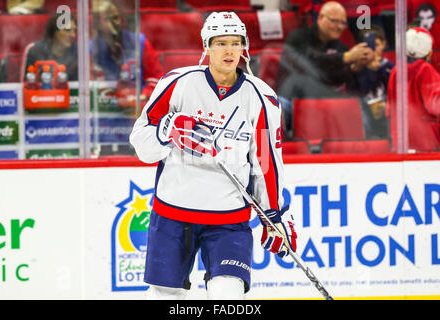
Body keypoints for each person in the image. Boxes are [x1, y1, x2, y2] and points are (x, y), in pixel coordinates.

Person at [129, 11, 297, 300]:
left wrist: (274, 215)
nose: (229, 50)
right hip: (172, 214)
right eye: (220, 43)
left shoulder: (262, 98)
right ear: (206, 46)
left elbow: (266, 165)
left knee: (227, 295)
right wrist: (166, 134)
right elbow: (141, 143)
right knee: (163, 295)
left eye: (235, 42)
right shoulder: (176, 83)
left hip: (228, 219)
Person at [276, 1, 373, 136]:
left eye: (343, 23)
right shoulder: (298, 37)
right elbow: (308, 63)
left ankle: (367, 146)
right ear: (320, 18)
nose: (339, 27)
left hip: (327, 100)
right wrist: (344, 58)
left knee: (361, 107)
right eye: (335, 21)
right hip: (294, 97)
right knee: (277, 108)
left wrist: (354, 68)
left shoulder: (341, 47)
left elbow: (336, 78)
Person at [90, 0, 163, 106]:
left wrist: (143, 97)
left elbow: (157, 78)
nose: (115, 23)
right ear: (98, 25)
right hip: (107, 111)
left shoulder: (139, 42)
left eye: (116, 18)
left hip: (137, 108)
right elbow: (92, 88)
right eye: (108, 19)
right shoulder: (92, 49)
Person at [386, 27, 440, 152]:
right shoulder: (426, 69)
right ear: (429, 52)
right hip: (426, 142)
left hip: (401, 140)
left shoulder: (396, 70)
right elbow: (435, 106)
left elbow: (389, 109)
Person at [349, 24, 394, 138]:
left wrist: (387, 105)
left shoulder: (390, 68)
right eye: (368, 46)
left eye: (376, 45)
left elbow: (395, 94)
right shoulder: (356, 69)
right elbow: (351, 94)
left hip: (386, 116)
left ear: (384, 44)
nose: (372, 50)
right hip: (363, 116)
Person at [24, 13, 78, 81]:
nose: (73, 35)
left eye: (74, 31)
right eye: (67, 30)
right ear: (54, 31)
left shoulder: (77, 53)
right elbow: (27, 82)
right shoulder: (36, 51)